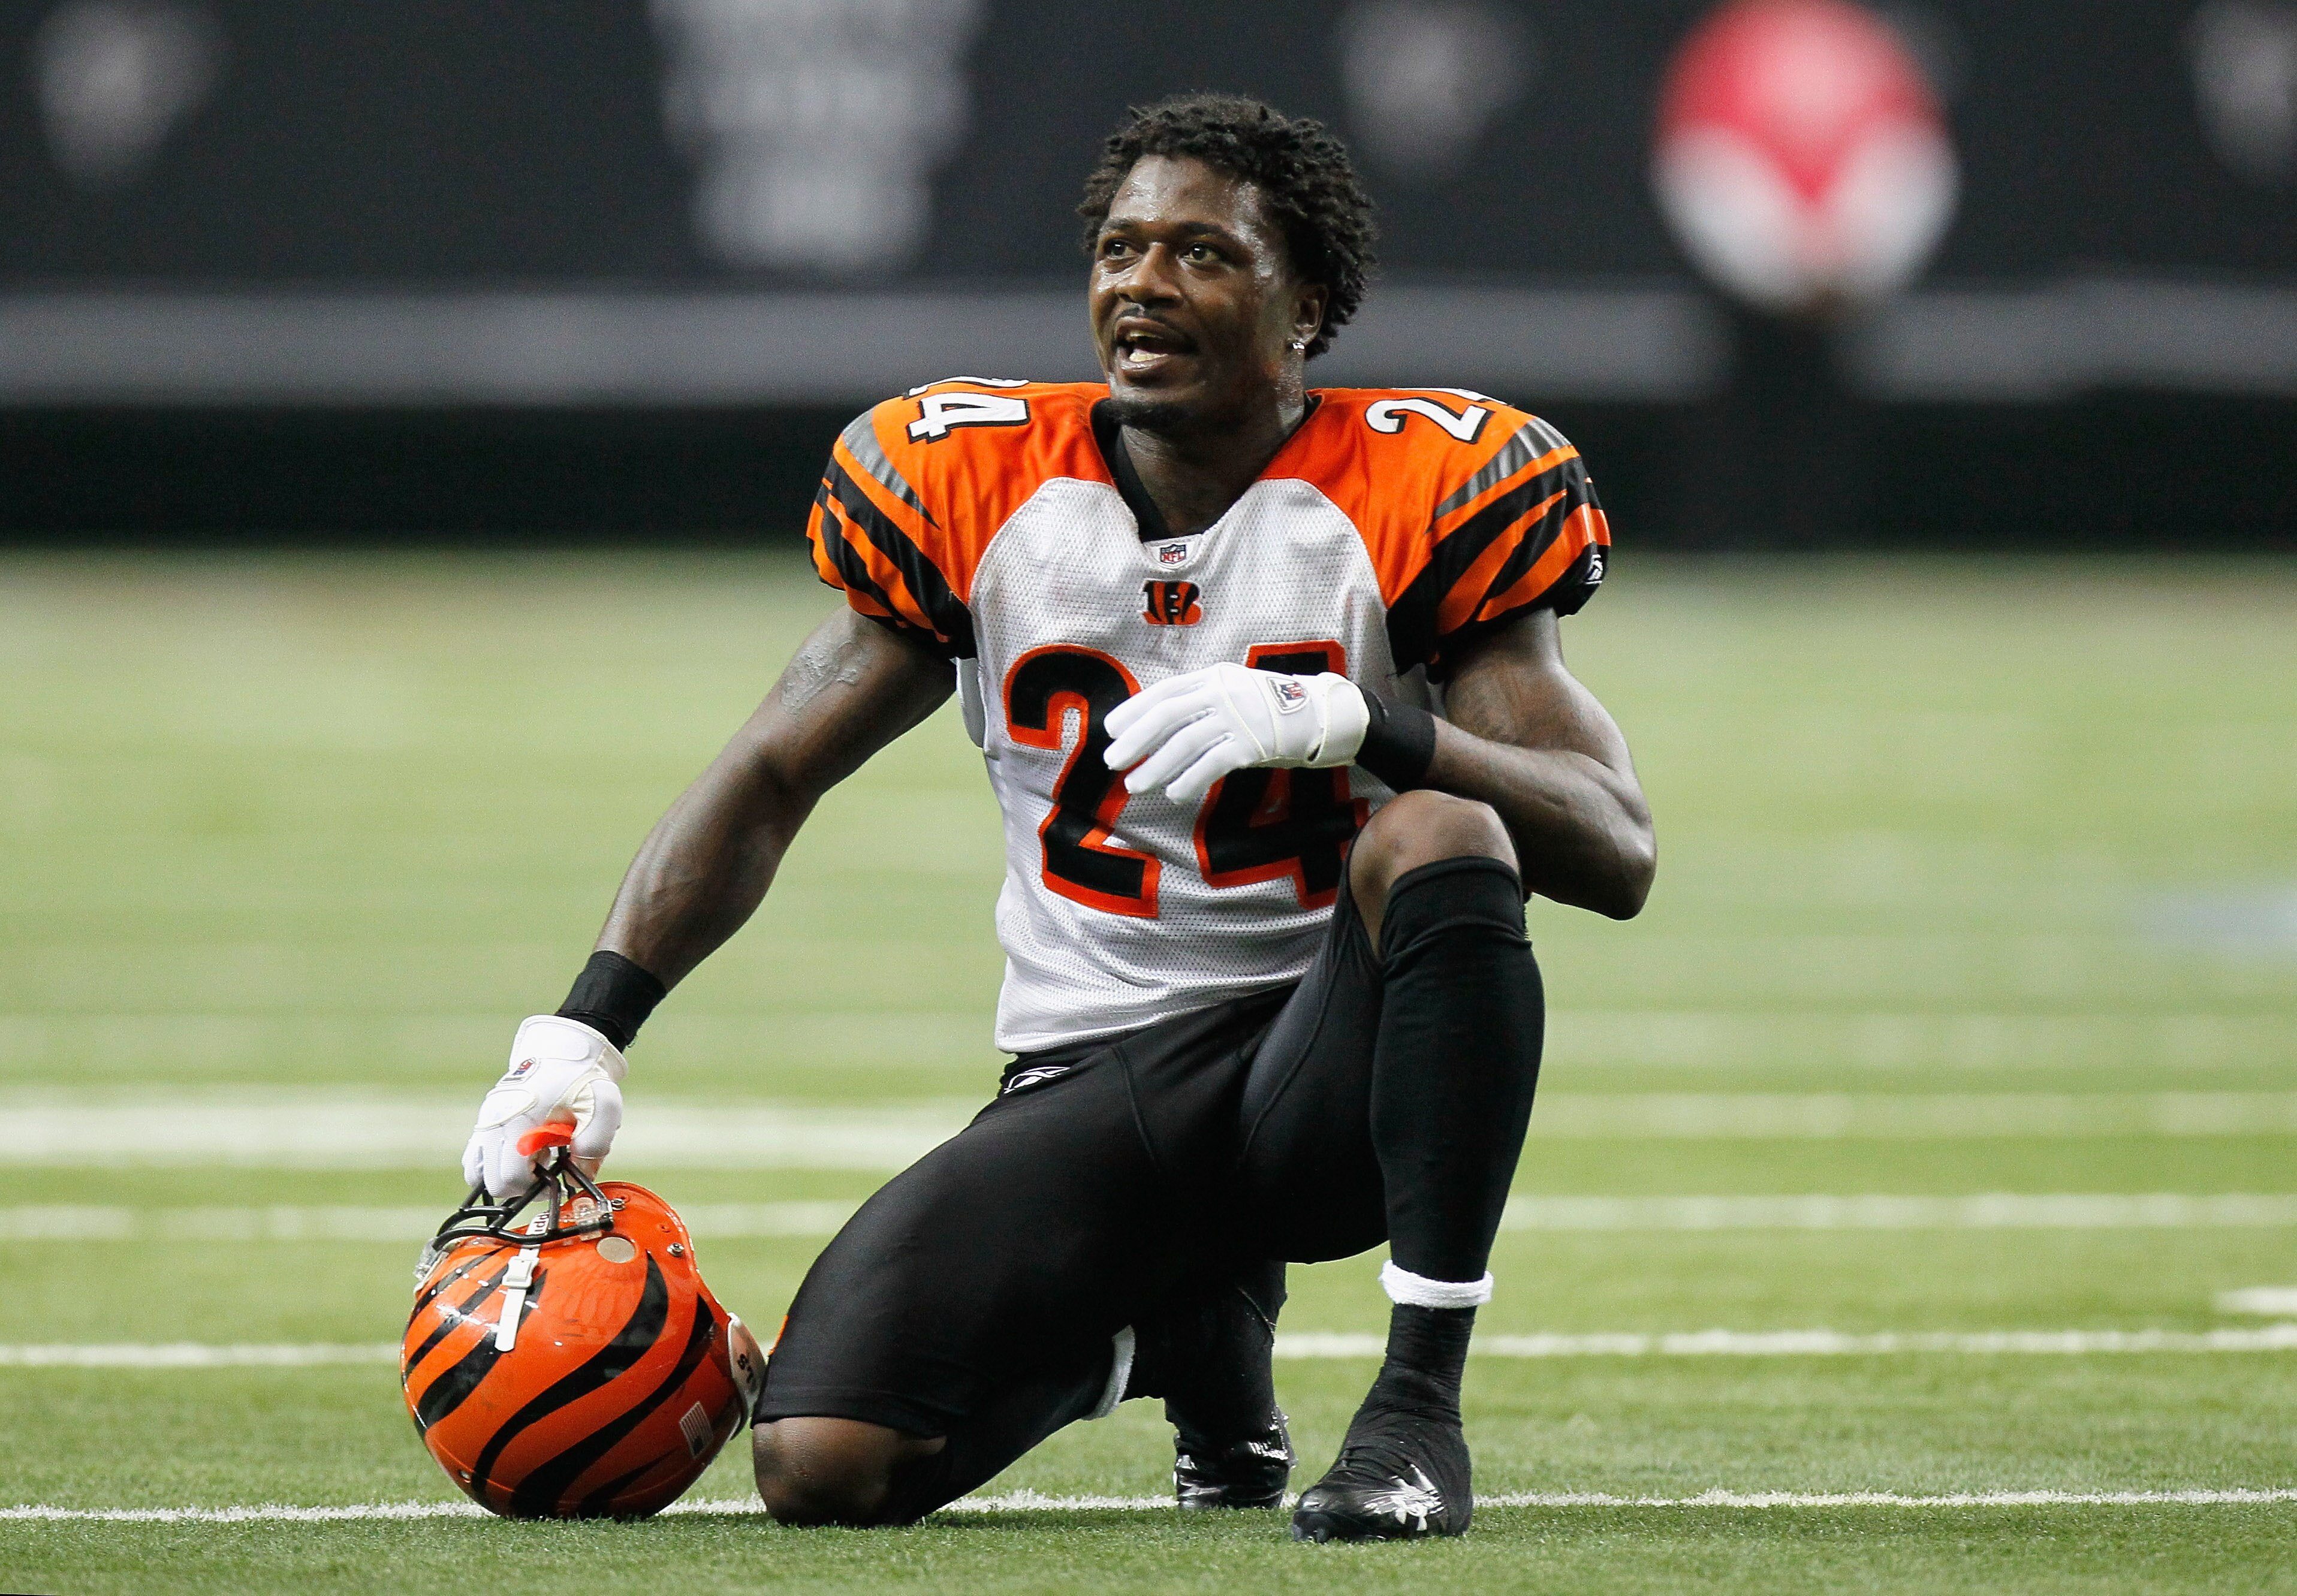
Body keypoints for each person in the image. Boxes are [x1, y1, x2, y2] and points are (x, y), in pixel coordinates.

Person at [460, 93, 1654, 1542]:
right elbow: (772, 773)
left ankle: (1413, 1415)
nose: (1141, 285)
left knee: (1438, 837)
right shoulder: (977, 483)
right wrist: (587, 1025)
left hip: (1322, 1070)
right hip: (1096, 1069)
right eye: (1117, 248)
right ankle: (1178, 1344)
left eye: (1202, 254)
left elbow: (1611, 844)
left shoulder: (1416, 485)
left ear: (1308, 308)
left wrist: (1369, 724)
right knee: (825, 1464)